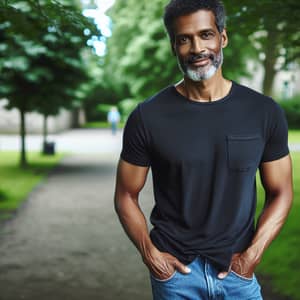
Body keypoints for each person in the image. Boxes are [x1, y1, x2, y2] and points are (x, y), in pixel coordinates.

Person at [114, 0, 293, 299]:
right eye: (184, 39)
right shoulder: (147, 117)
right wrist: (151, 256)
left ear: (222, 37)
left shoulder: (263, 112)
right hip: (176, 278)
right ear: (173, 46)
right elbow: (125, 194)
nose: (197, 47)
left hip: (238, 276)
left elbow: (282, 191)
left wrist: (253, 255)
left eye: (205, 34)